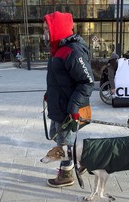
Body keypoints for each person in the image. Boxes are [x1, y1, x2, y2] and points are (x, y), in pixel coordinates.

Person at [43, 11, 94, 188]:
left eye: (47, 29)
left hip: (68, 109)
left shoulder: (71, 51)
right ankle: (80, 162)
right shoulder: (57, 50)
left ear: (57, 29)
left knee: (64, 143)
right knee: (64, 139)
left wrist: (73, 107)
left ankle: (66, 175)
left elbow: (87, 82)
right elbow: (60, 80)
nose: (45, 33)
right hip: (59, 105)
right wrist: (49, 94)